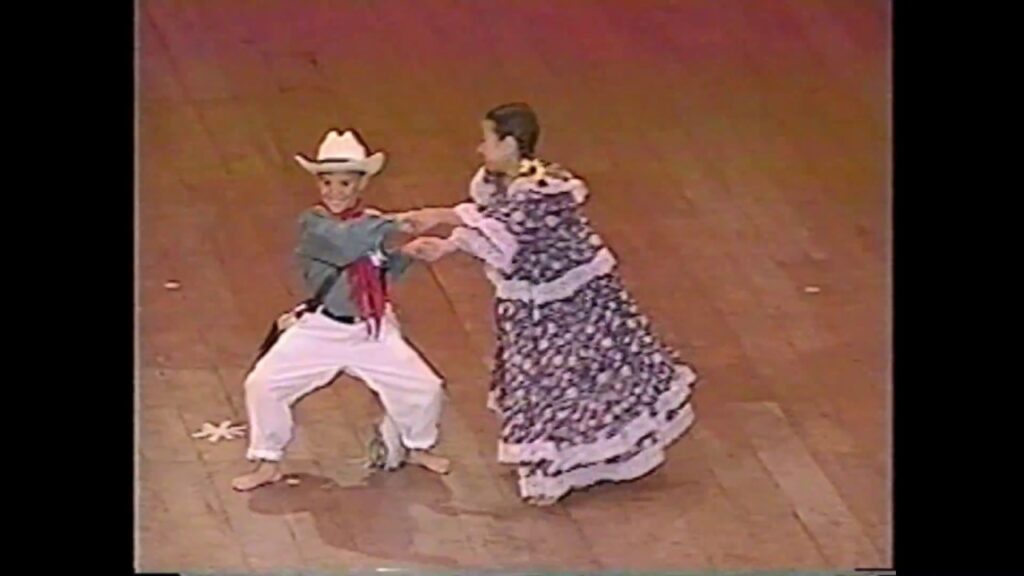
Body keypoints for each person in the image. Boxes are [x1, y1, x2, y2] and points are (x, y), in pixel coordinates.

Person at [399, 103, 698, 505]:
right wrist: (443, 233)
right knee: (552, 380)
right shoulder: (507, 183)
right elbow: (490, 221)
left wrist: (443, 231)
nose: (479, 148)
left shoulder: (540, 193)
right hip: (539, 303)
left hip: (565, 305)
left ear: (509, 143)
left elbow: (503, 237)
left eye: (487, 139)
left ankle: (557, 467)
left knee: (555, 381)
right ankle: (568, 459)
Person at [232, 129, 449, 492]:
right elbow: (346, 244)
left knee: (425, 386)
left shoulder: (372, 223)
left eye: (344, 183)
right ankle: (267, 460)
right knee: (263, 384)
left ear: (360, 184)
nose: (334, 191)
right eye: (327, 182)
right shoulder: (314, 224)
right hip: (321, 328)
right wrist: (397, 223)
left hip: (370, 327)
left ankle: (417, 446)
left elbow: (379, 269)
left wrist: (406, 255)